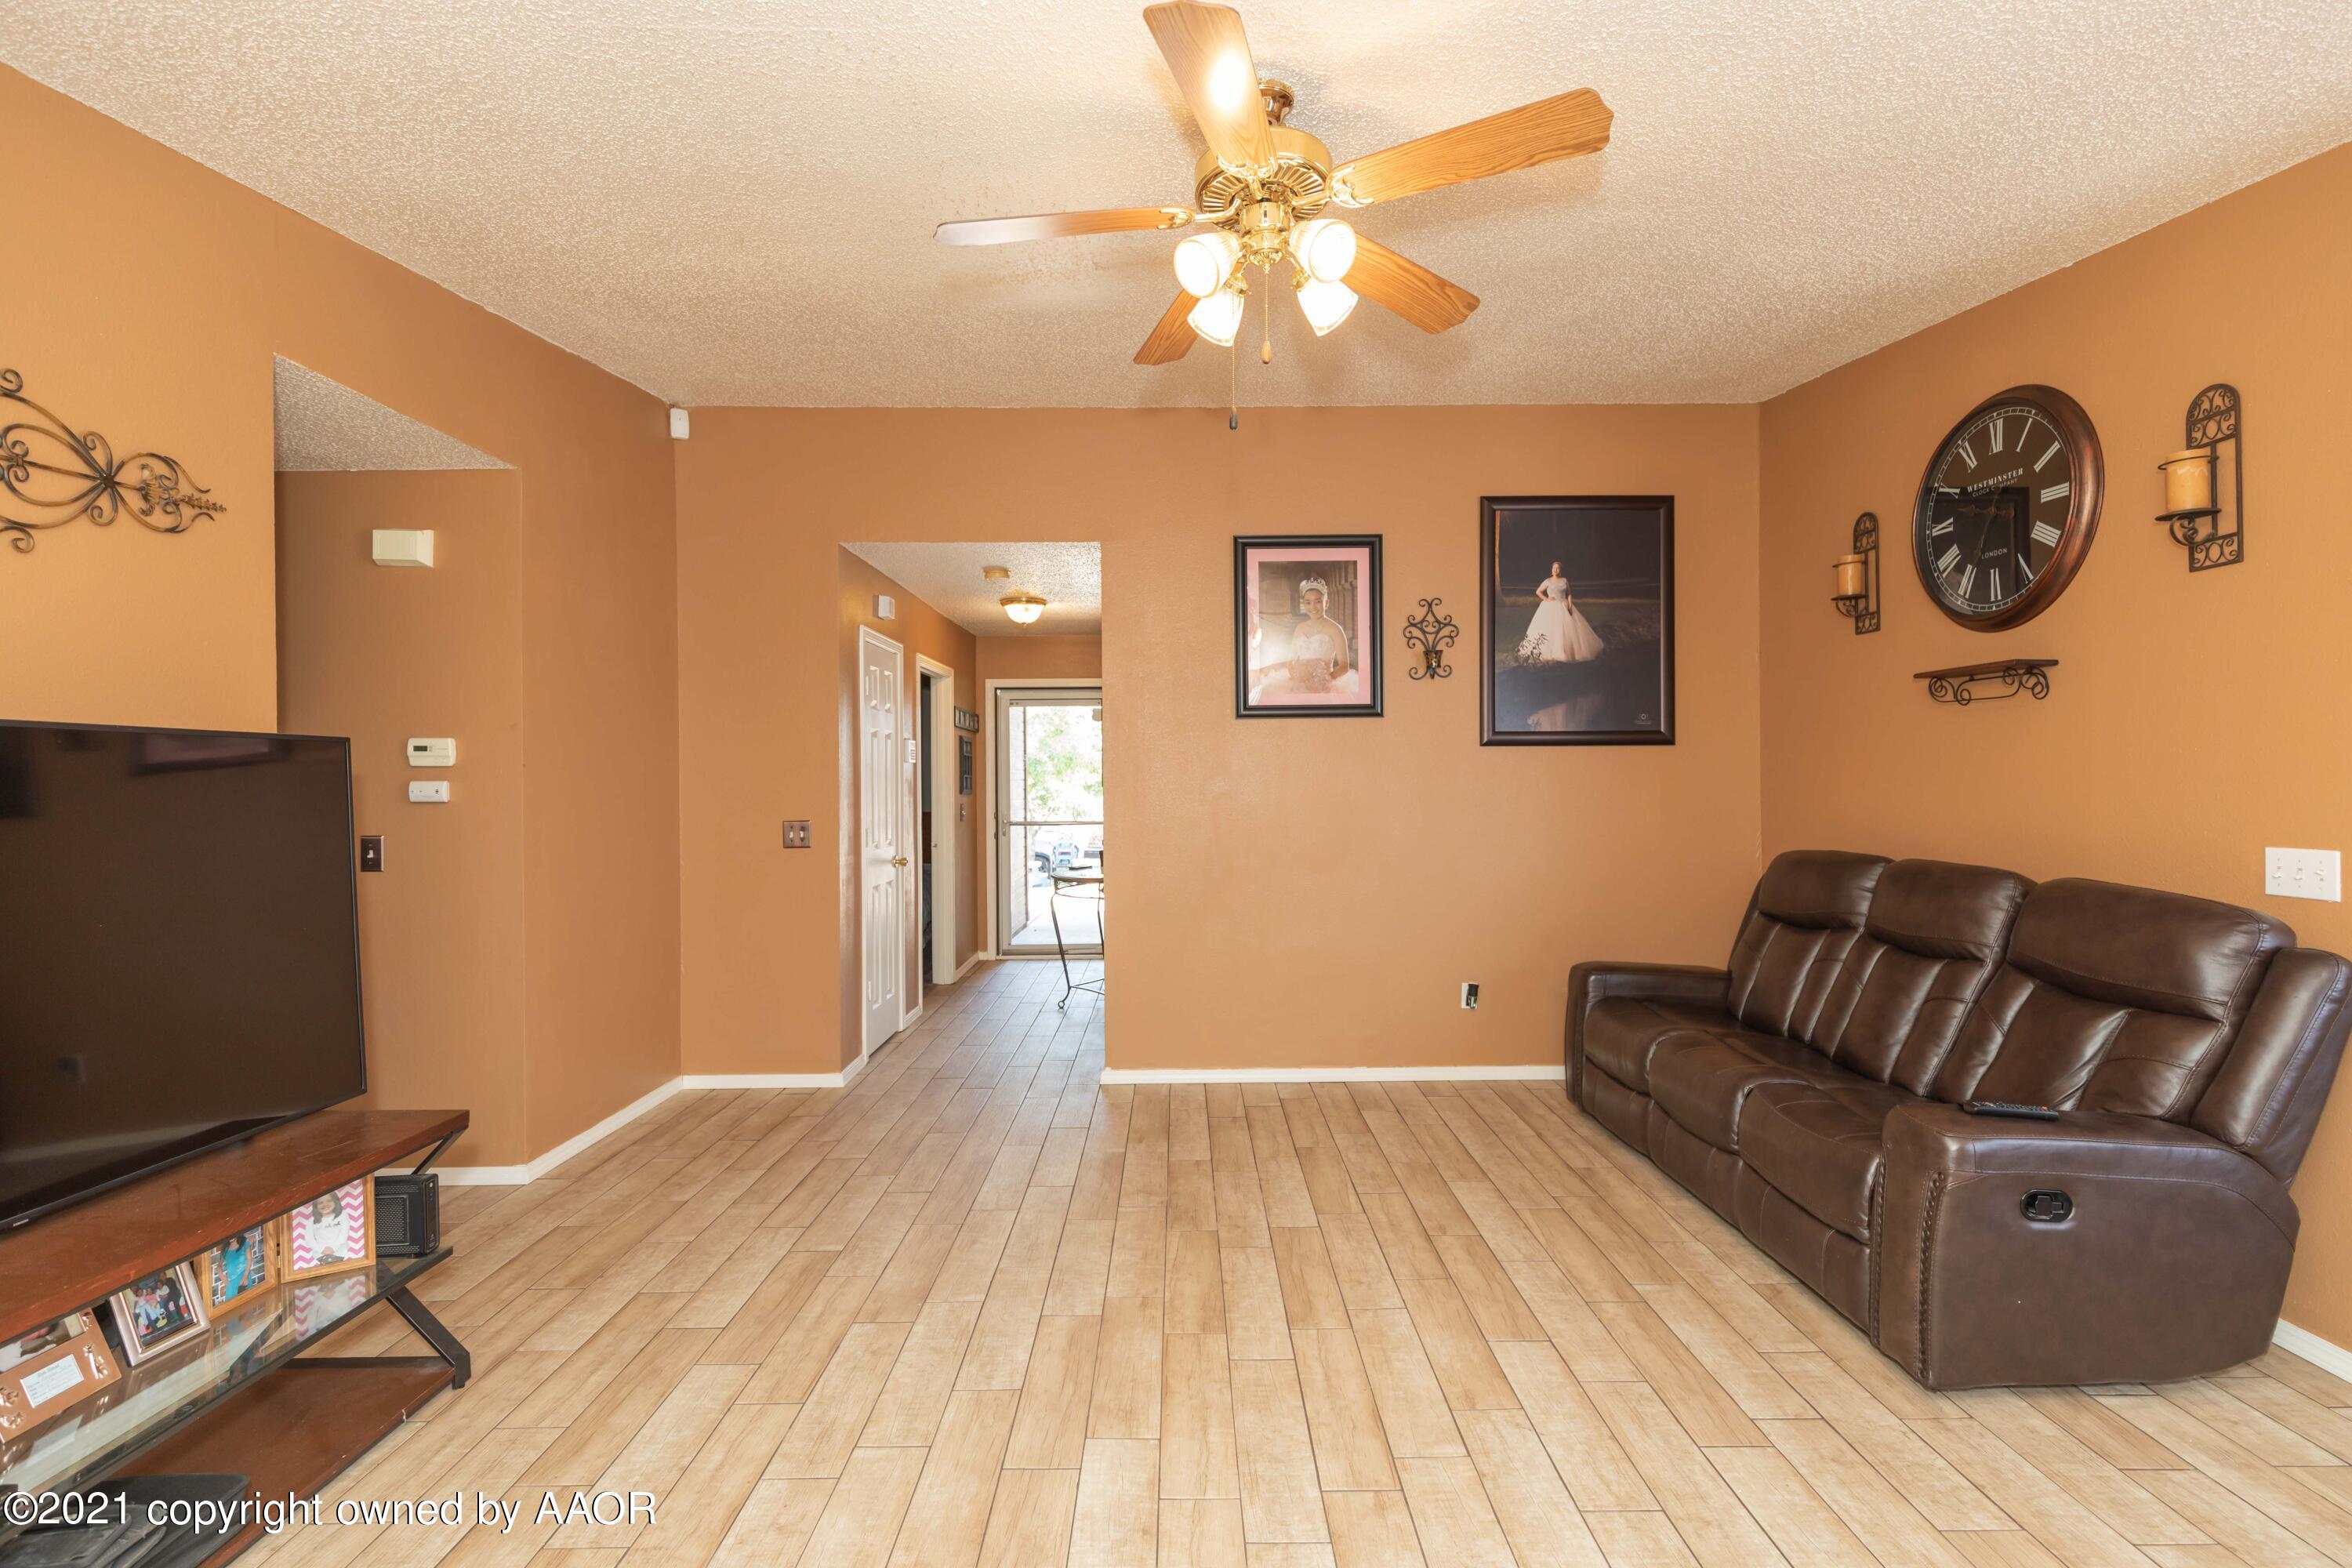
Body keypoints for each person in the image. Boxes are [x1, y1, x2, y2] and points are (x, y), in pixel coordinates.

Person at [1518, 561, 1605, 663]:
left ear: (1560, 570)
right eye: (1554, 568)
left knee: (1569, 629)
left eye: (1558, 568)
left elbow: (1569, 594)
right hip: (1551, 607)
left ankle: (1570, 652)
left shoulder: (1564, 580)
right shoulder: (1548, 581)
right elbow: (1538, 591)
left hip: (1564, 606)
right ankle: (1550, 652)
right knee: (1551, 629)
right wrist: (1546, 599)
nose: (1555, 570)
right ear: (1551, 570)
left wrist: (1570, 606)